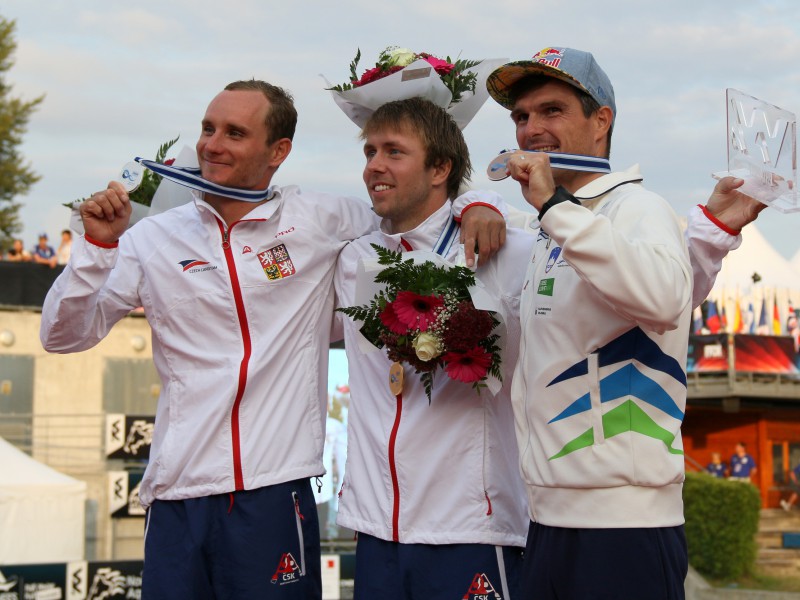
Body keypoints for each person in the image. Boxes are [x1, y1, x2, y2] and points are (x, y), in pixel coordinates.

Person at [39, 79, 502, 599]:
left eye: (235, 133)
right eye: (208, 129)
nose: (212, 144)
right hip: (178, 492)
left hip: (275, 492)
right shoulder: (153, 237)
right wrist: (98, 249)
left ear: (278, 150)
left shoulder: (321, 219)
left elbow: (416, 202)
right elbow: (63, 336)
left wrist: (481, 202)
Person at [487, 46, 697, 598]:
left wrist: (556, 209)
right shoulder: (551, 224)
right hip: (549, 517)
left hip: (625, 528)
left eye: (551, 111)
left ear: (601, 120)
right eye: (521, 116)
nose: (531, 129)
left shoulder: (636, 206)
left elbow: (666, 296)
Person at [334, 96, 533, 599]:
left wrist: (486, 201)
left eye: (394, 152)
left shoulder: (503, 248)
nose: (375, 166)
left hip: (473, 530)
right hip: (378, 529)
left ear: (441, 167)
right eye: (369, 152)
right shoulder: (353, 258)